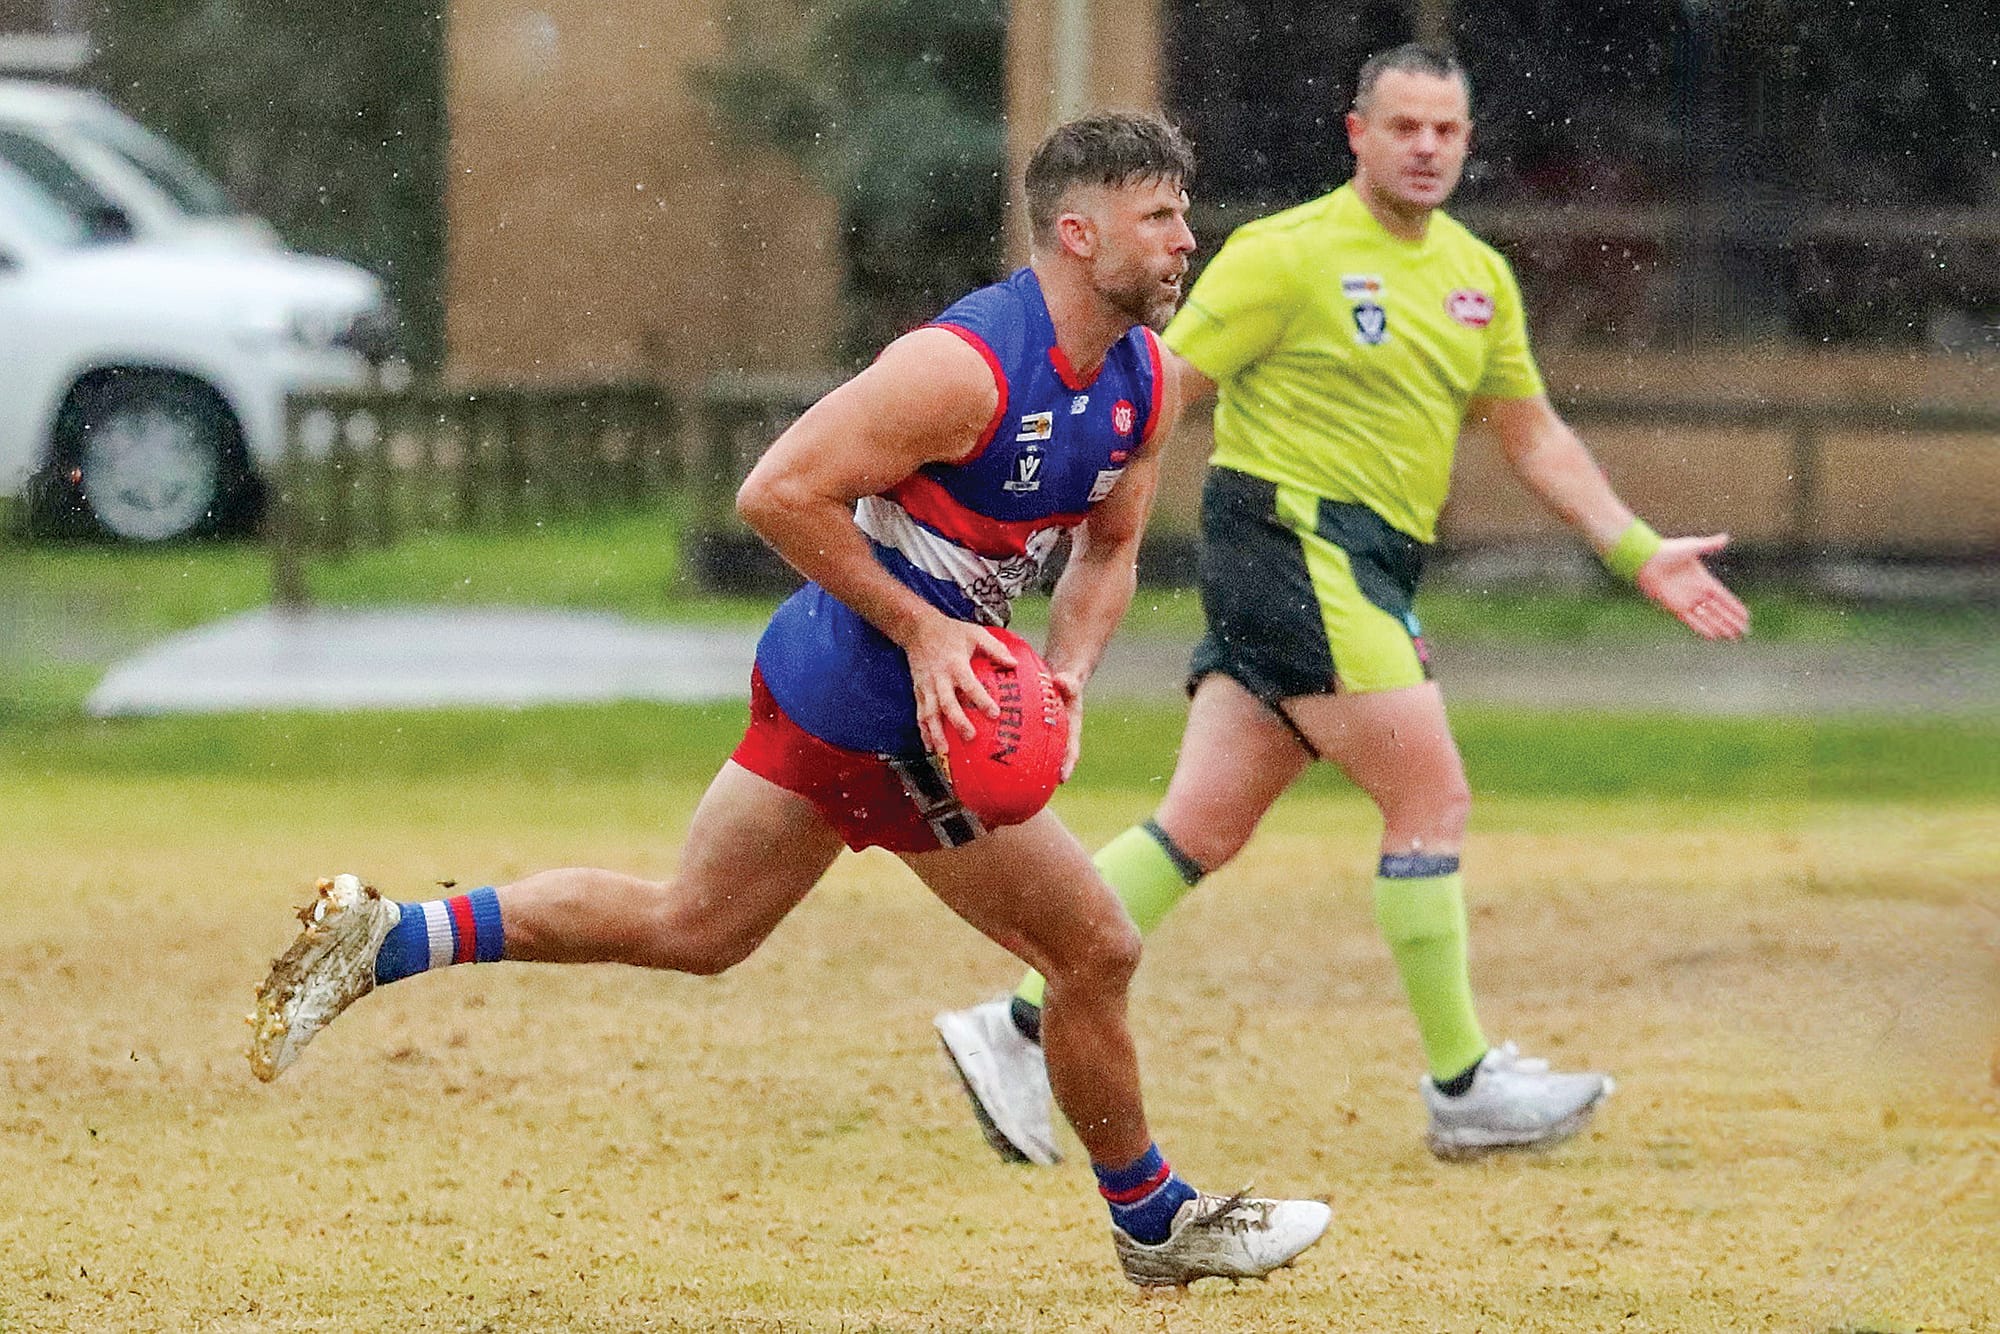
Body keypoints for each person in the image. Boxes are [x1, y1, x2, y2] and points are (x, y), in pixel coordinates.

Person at [244, 111, 1331, 1288]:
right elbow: (775, 492)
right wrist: (922, 632)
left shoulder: (1143, 384)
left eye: (1183, 212)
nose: (1185, 240)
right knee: (1093, 944)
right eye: (1158, 217)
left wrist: (1061, 681)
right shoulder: (958, 368)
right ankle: (1153, 1219)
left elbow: (1108, 551)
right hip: (875, 696)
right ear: (1076, 233)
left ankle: (388, 935)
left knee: (695, 928)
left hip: (836, 683)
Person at [934, 44, 1751, 1168]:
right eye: (1402, 127)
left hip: (1365, 560)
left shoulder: (1475, 275)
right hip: (1291, 540)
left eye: (1445, 131)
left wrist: (1636, 548)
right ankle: (1462, 1083)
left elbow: (1528, 431)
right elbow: (1157, 383)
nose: (1424, 148)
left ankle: (1013, 1021)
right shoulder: (1286, 255)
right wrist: (1061, 494)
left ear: (1464, 142)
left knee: (1198, 827)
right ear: (1354, 132)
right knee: (1432, 796)